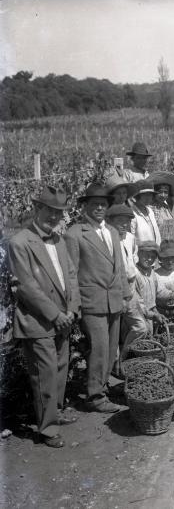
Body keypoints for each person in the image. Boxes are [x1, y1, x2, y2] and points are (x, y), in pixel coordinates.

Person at [8, 186, 81, 447]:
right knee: (45, 373)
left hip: (64, 317)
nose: (54, 217)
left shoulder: (59, 240)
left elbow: (71, 275)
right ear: (37, 209)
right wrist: (55, 314)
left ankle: (55, 413)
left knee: (61, 369)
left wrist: (71, 308)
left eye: (59, 212)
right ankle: (47, 429)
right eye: (50, 210)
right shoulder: (19, 243)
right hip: (38, 321)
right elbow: (26, 287)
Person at [64, 183, 130, 413]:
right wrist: (74, 306)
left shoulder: (111, 231)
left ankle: (102, 386)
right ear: (85, 206)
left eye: (103, 204)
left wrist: (125, 295)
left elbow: (119, 267)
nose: (99, 208)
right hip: (92, 301)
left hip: (114, 299)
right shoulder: (75, 234)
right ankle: (94, 397)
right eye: (95, 204)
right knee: (100, 347)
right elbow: (70, 273)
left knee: (111, 348)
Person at [121, 241, 168, 355]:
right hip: (136, 316)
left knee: (145, 345)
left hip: (150, 316)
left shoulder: (152, 273)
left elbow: (160, 291)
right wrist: (153, 314)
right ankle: (123, 358)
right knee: (137, 336)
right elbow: (137, 302)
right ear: (139, 254)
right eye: (146, 256)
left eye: (153, 257)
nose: (149, 259)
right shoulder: (135, 274)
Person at [106, 204, 138, 294]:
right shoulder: (108, 239)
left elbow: (134, 256)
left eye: (127, 221)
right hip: (117, 284)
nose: (124, 225)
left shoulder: (130, 237)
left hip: (132, 280)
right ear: (109, 221)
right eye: (120, 221)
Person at [149, 171, 174, 246]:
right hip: (157, 245)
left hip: (169, 246)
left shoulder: (165, 207)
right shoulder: (150, 208)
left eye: (166, 192)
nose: (163, 195)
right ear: (154, 192)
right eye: (160, 192)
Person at [130, 180, 161, 246]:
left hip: (155, 252)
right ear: (137, 196)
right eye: (145, 195)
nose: (148, 198)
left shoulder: (150, 211)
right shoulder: (132, 214)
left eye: (150, 195)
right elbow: (131, 239)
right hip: (141, 253)